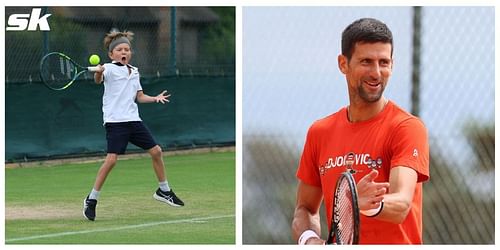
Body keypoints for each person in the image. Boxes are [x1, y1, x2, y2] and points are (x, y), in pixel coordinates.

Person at [292, 18, 429, 244]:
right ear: (343, 64)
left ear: (392, 65)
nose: (376, 73)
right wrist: (309, 240)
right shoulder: (319, 132)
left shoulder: (406, 127)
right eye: (366, 61)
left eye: (384, 62)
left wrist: (356, 203)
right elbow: (304, 209)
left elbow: (401, 204)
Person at [83, 30, 184, 221]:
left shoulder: (134, 71)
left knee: (156, 152)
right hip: (115, 122)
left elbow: (139, 96)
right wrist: (99, 72)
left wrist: (155, 98)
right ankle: (91, 199)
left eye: (127, 49)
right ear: (112, 54)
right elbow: (98, 81)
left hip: (134, 121)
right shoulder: (108, 69)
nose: (124, 52)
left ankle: (164, 191)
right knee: (111, 160)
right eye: (120, 49)